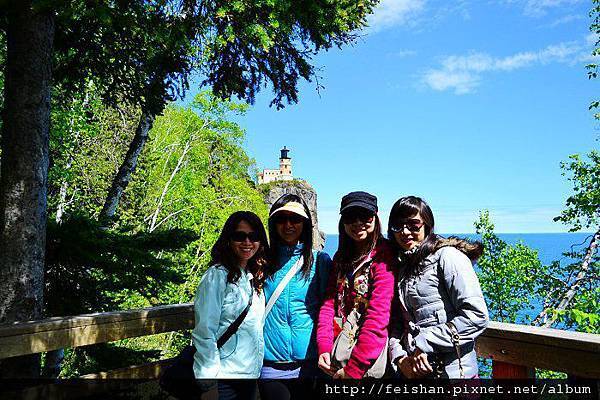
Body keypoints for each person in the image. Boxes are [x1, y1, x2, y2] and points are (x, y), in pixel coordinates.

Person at [387, 196, 489, 379]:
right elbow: (398, 322)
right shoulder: (402, 267)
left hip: (453, 376)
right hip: (416, 376)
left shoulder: (448, 257)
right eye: (397, 225)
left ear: (427, 224)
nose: (405, 231)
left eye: (413, 224)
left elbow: (477, 316)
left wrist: (422, 343)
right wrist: (399, 357)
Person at [259, 194, 332, 399]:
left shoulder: (320, 261)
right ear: (273, 224)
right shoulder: (261, 261)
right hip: (270, 364)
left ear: (306, 224)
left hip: (310, 363)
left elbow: (328, 308)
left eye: (296, 219)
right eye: (282, 219)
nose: (288, 225)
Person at [316, 191, 395, 379]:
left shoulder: (384, 258)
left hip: (366, 362)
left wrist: (355, 369)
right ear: (343, 222)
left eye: (365, 216)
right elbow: (329, 304)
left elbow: (379, 315)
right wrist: (324, 347)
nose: (358, 223)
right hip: (340, 355)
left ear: (375, 218)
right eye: (351, 217)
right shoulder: (341, 258)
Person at [192, 211, 269, 400]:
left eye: (254, 236)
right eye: (239, 236)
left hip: (249, 375)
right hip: (223, 378)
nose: (247, 242)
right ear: (228, 239)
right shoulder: (217, 275)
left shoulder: (254, 276)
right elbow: (204, 332)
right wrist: (208, 383)